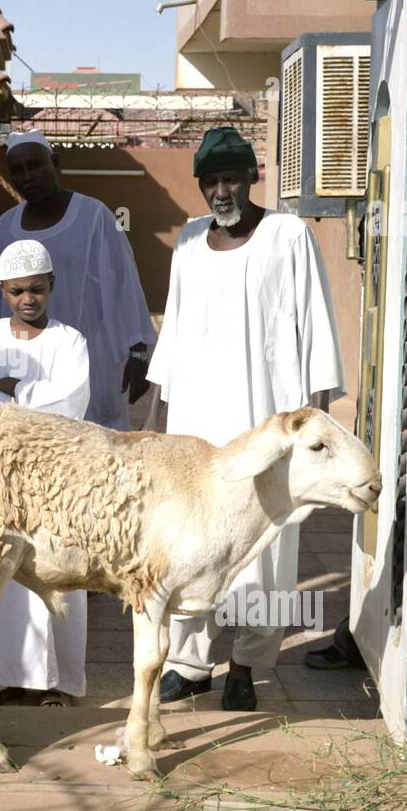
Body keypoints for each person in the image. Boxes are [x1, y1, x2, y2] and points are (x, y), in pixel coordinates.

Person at [148, 126, 344, 710]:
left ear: (253, 177)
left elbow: (314, 323)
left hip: (269, 419)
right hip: (200, 424)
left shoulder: (286, 235)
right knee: (194, 541)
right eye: (210, 181)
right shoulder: (187, 241)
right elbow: (176, 332)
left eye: (231, 177)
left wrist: (316, 422)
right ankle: (189, 662)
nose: (220, 190)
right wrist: (162, 421)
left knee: (267, 542)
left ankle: (247, 664)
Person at [0, 240, 91, 706]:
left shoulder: (71, 341)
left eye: (37, 289)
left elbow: (69, 406)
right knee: (0, 574)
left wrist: (13, 390)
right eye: (17, 291)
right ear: (3, 291)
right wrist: (31, 394)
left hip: (57, 479)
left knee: (54, 572)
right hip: (0, 477)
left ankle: (56, 682)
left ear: (52, 285)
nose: (28, 300)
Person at [0, 129, 154, 429]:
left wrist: (137, 351)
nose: (27, 176)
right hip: (24, 361)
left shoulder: (95, 217)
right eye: (17, 171)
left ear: (55, 164)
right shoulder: (5, 227)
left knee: (92, 447)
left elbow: (125, 286)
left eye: (35, 166)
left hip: (90, 358)